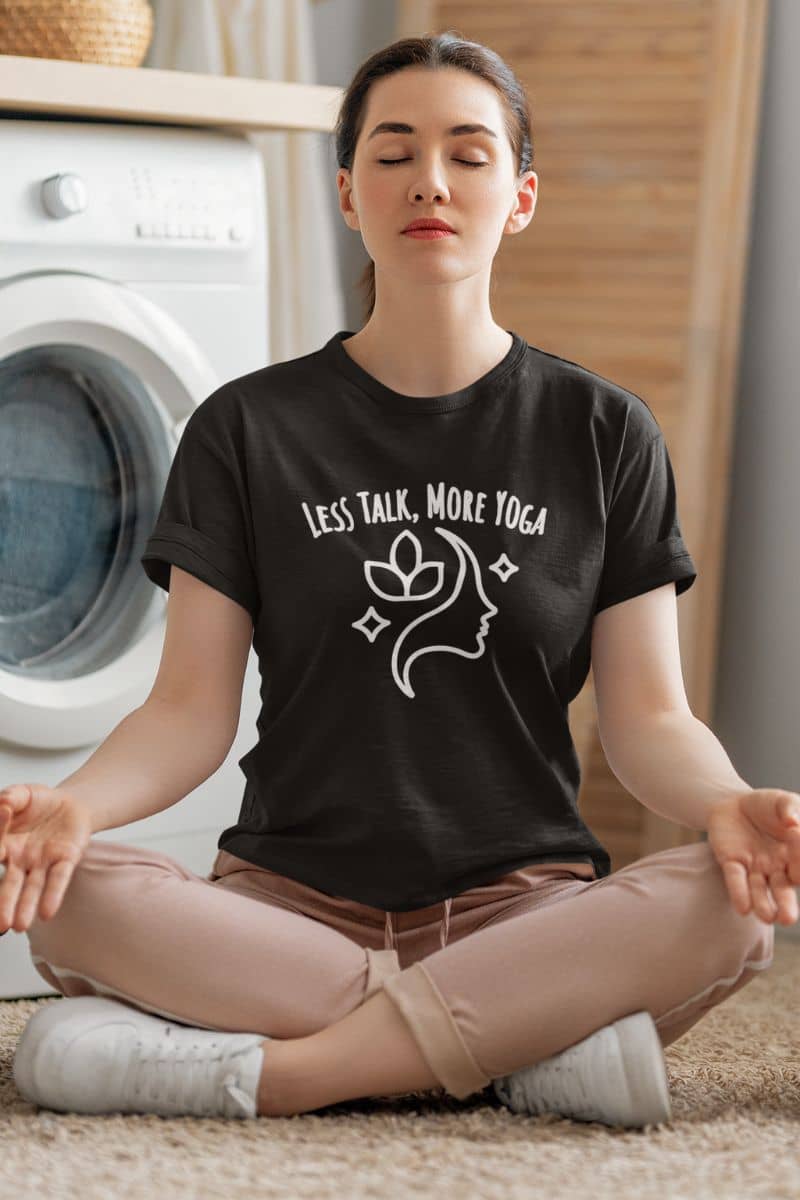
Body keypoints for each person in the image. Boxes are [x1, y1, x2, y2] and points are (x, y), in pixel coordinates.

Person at [3, 32, 794, 1128]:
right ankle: (519, 1048)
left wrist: (725, 804)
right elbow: (187, 713)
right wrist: (71, 809)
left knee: (725, 901)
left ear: (518, 198)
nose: (429, 180)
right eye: (393, 152)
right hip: (286, 911)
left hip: (523, 909)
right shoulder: (248, 428)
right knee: (73, 894)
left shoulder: (601, 431)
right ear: (345, 193)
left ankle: (292, 1073)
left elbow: (649, 719)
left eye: (468, 155)